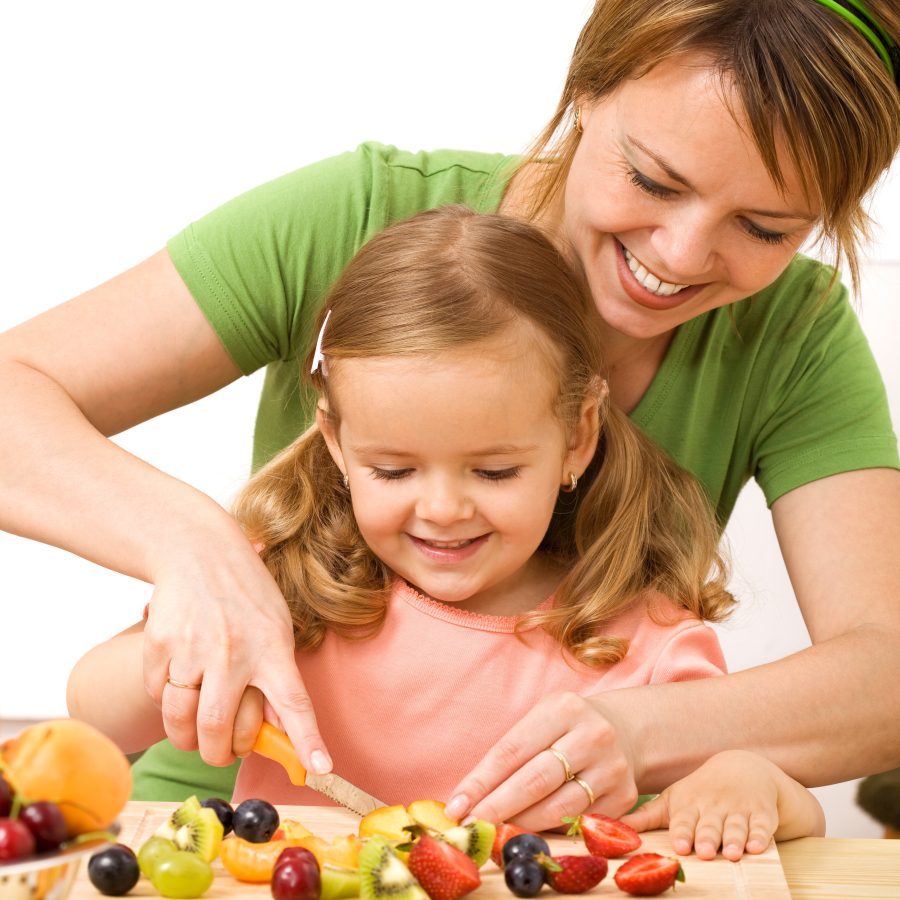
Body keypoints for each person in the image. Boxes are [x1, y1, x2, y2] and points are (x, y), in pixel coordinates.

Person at [0, 0, 898, 833]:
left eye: (766, 228)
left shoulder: (794, 338)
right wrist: (200, 551)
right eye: (652, 179)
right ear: (587, 87)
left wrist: (651, 734)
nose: (681, 254)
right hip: (225, 832)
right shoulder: (354, 215)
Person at [67, 207, 824, 858]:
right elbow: (92, 704)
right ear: (335, 442)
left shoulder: (646, 643)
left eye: (493, 473)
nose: (442, 510)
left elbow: (794, 811)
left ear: (576, 437)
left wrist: (750, 784)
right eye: (394, 472)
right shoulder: (283, 589)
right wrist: (179, 673)